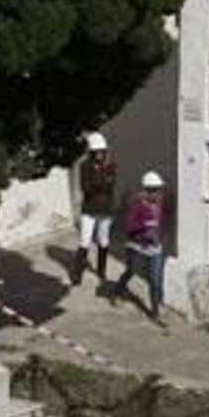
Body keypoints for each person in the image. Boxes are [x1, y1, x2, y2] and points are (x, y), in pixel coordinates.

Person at [114, 170, 166, 319]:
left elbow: (158, 224)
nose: (157, 194)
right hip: (136, 247)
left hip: (155, 248)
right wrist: (144, 226)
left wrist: (156, 235)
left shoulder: (159, 204)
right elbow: (129, 225)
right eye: (154, 190)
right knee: (131, 271)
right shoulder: (136, 205)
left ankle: (155, 311)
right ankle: (118, 291)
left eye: (158, 190)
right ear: (146, 190)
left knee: (155, 280)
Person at [72, 132, 117, 286]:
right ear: (91, 152)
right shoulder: (84, 165)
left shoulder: (111, 164)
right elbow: (86, 188)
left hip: (105, 209)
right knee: (84, 241)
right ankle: (77, 275)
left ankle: (101, 270)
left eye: (101, 151)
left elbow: (111, 186)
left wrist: (97, 182)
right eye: (96, 151)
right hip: (89, 208)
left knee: (103, 240)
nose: (99, 154)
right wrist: (102, 181)